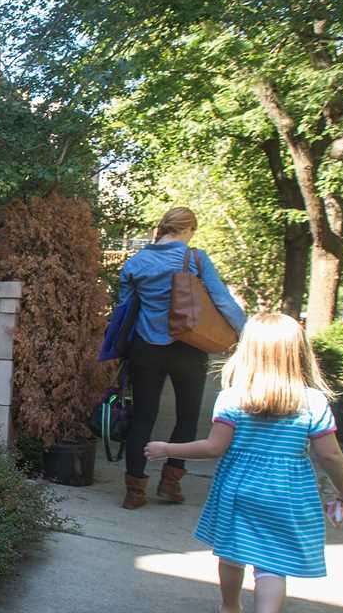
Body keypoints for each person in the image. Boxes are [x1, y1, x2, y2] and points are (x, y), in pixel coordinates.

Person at [146, 313, 343, 613]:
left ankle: (230, 607)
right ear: (298, 353)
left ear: (248, 351)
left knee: (232, 553)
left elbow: (213, 447)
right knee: (272, 563)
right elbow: (329, 455)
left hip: (238, 487)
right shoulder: (312, 401)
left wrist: (167, 448)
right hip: (287, 493)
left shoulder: (233, 398)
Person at [118, 207, 246, 509]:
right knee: (187, 416)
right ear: (187, 229)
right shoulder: (195, 259)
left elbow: (125, 309)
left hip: (145, 347)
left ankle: (134, 490)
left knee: (142, 418)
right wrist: (247, 334)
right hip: (189, 347)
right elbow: (222, 300)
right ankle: (170, 483)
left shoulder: (135, 263)